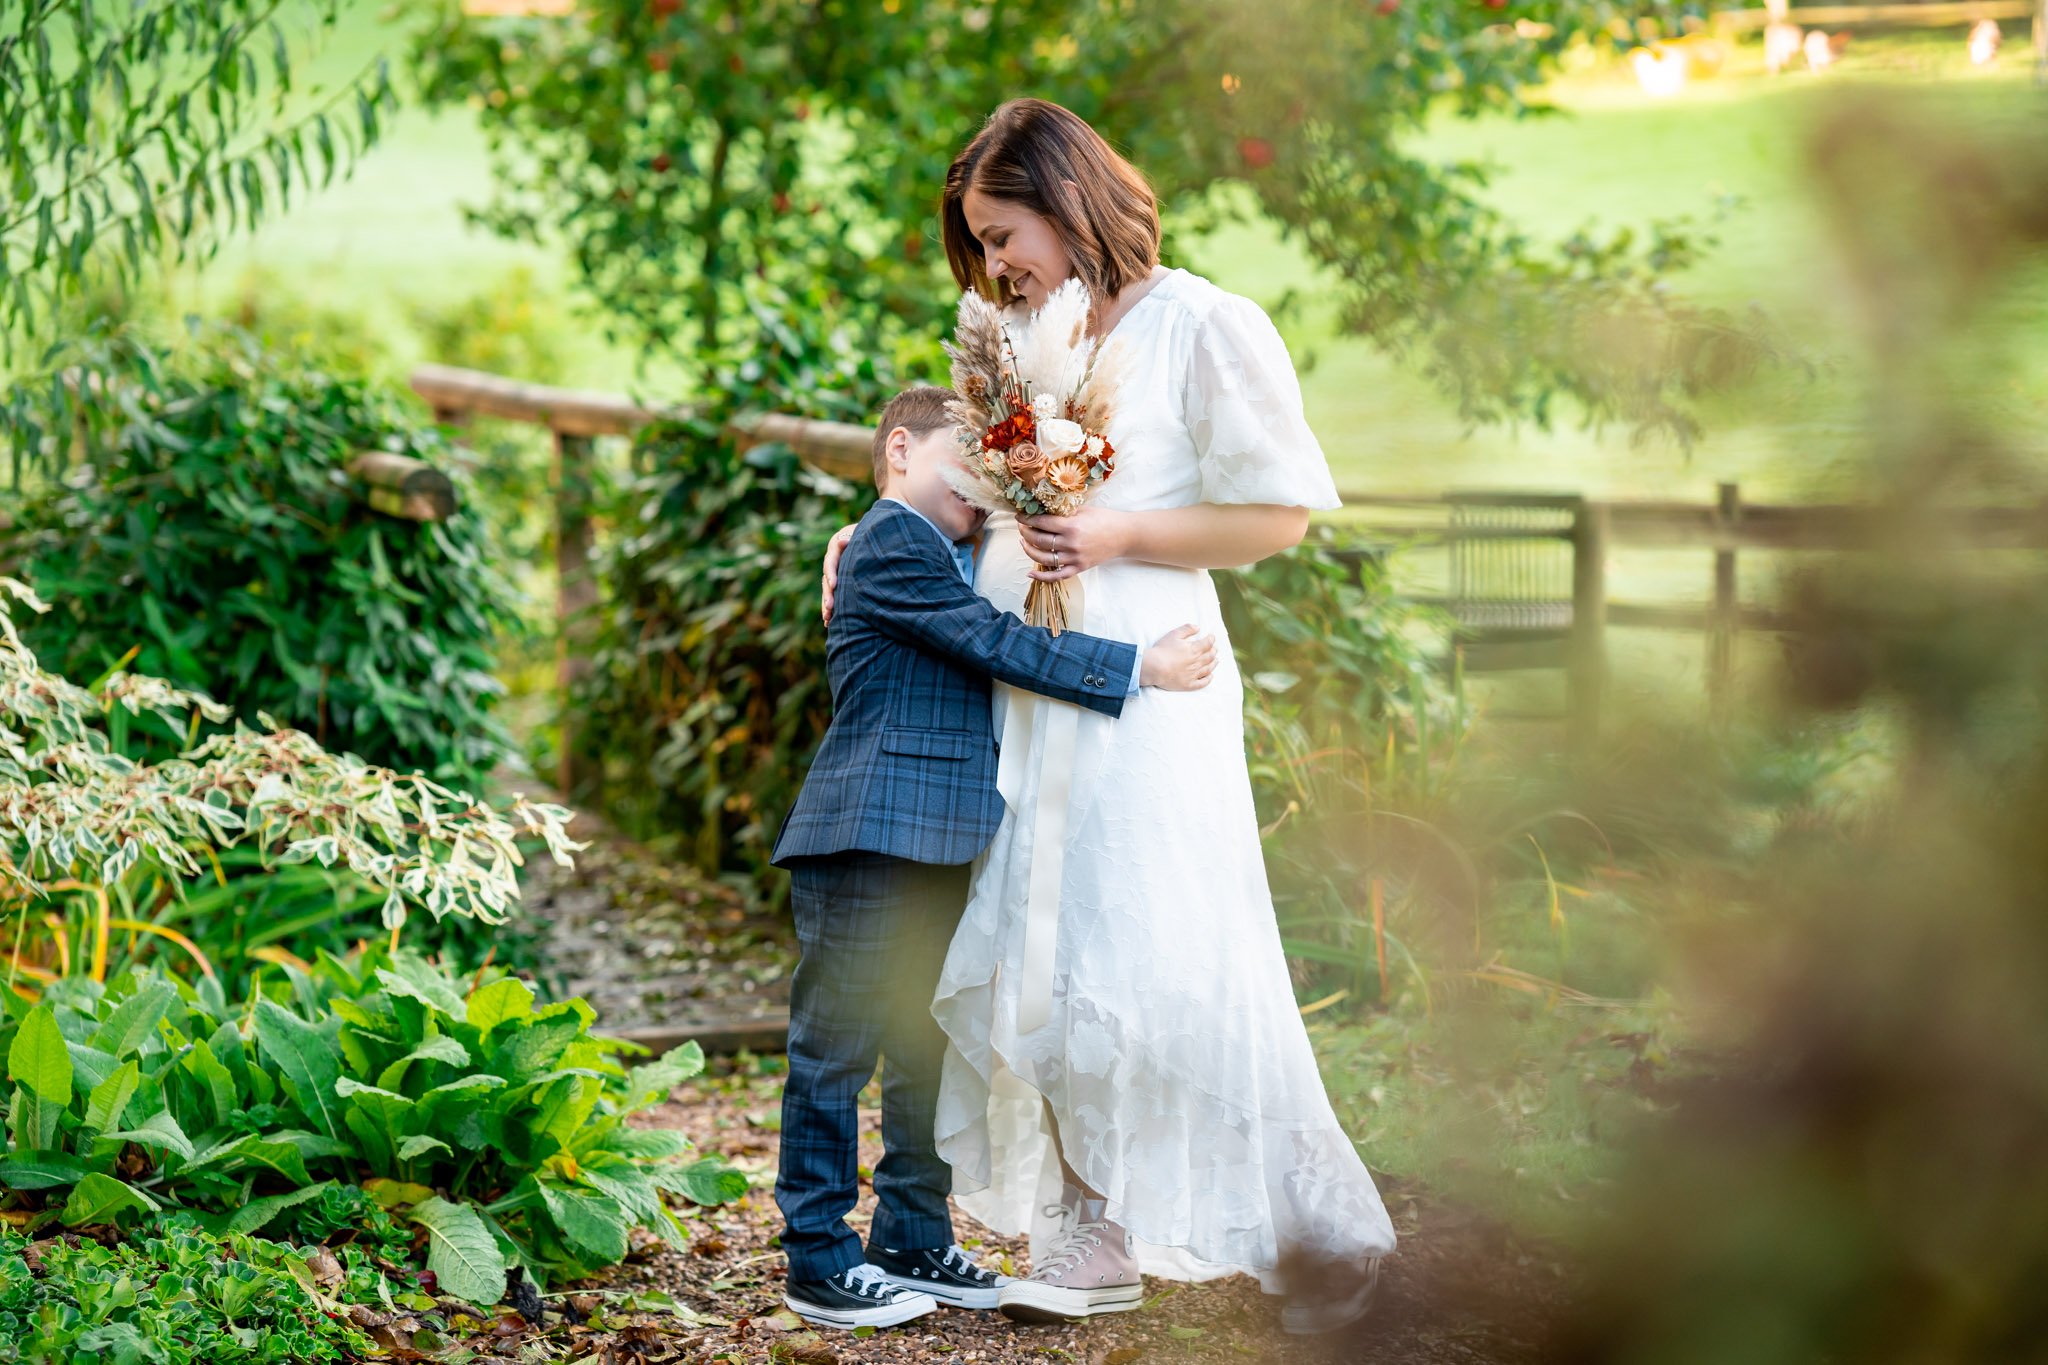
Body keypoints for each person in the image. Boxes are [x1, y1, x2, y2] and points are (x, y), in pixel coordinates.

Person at [820, 99, 1397, 1337]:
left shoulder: (1201, 325)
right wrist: (875, 538)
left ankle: (1287, 1221)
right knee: (1037, 932)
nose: (990, 265)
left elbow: (1279, 515)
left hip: (1145, 666)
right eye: (975, 246)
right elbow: (957, 487)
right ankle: (1090, 1223)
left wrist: (1120, 530)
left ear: (1066, 196)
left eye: (1000, 232)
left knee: (1145, 928)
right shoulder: (1017, 335)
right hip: (1016, 681)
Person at [772, 384, 1218, 1331]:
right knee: (836, 1045)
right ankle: (817, 1255)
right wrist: (1140, 666)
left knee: (921, 1045)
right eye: (963, 464)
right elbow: (997, 639)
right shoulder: (891, 540)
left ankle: (912, 1235)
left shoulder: (938, 543)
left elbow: (997, 576)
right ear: (899, 449)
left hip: (938, 836)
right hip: (866, 831)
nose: (980, 487)